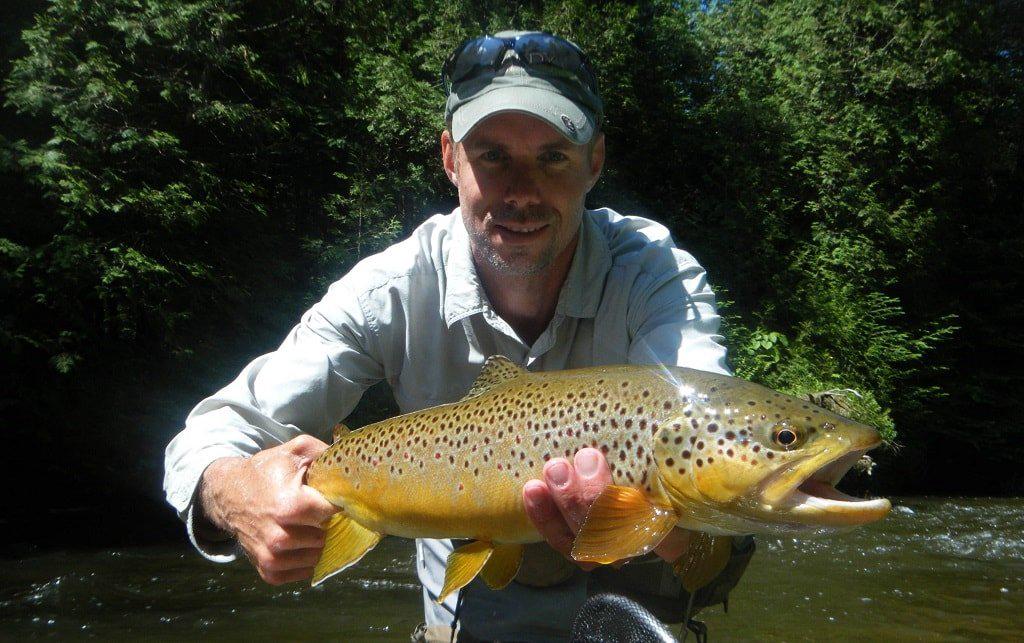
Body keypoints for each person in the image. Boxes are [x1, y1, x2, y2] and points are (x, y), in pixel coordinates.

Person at [164, 30, 752, 642]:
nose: (521, 191)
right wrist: (233, 495)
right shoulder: (389, 290)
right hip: (465, 624)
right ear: (450, 158)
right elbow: (211, 436)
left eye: (552, 156)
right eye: (492, 156)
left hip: (630, 613)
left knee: (716, 526)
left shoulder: (655, 276)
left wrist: (671, 524)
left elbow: (705, 423)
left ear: (594, 162)